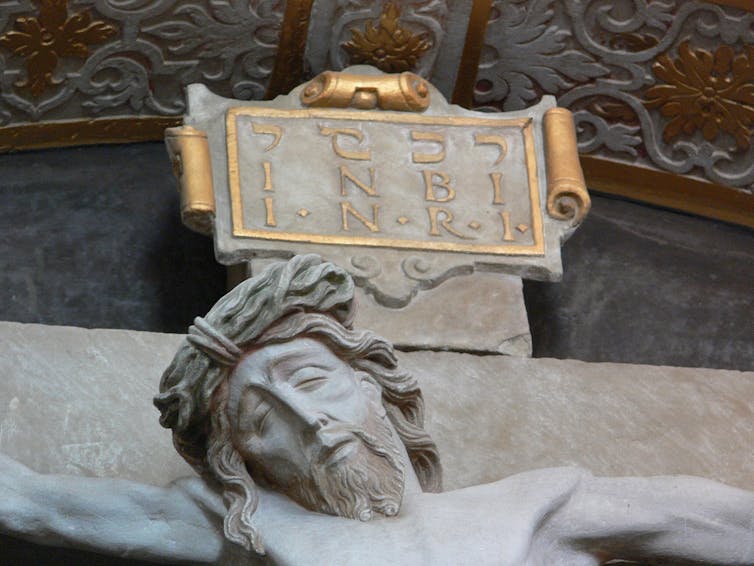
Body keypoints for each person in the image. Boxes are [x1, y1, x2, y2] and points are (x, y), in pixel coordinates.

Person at [1, 255, 753, 565]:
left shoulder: (539, 507)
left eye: (314, 380)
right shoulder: (258, 532)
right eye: (262, 423)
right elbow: (29, 503)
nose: (309, 421)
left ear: (372, 386)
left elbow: (728, 520)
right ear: (249, 466)